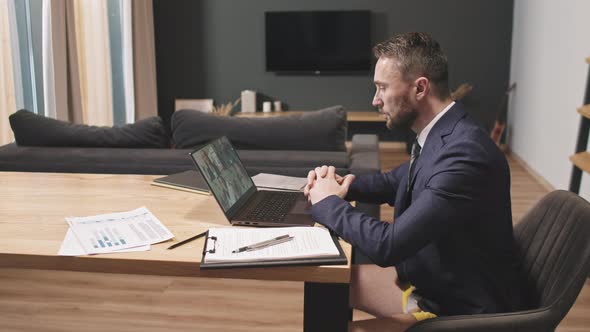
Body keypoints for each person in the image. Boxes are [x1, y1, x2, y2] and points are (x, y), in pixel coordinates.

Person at [304, 32, 527, 331]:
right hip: (433, 283)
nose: (375, 100)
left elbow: (389, 246)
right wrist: (339, 183)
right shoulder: (442, 134)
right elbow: (391, 182)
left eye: (382, 87)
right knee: (324, 282)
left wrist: (328, 202)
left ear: (420, 88)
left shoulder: (466, 155)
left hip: (463, 311)